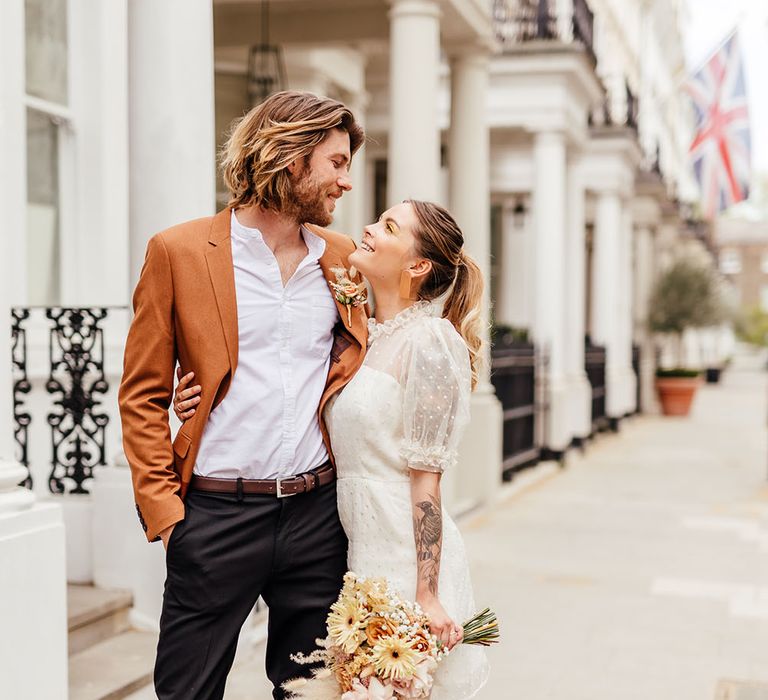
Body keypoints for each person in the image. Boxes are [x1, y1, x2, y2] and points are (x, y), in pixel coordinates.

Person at [174, 199, 490, 699]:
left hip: (402, 558)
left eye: (388, 227)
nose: (367, 228)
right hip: (353, 551)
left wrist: (426, 592)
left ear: (417, 265)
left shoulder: (429, 340)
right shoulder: (361, 332)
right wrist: (194, 393)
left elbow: (427, 477)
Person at [118, 91, 366, 700]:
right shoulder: (177, 252)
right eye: (335, 163)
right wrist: (168, 516)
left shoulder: (342, 262)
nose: (346, 182)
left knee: (311, 693)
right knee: (187, 691)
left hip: (317, 516)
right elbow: (143, 393)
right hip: (215, 515)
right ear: (290, 157)